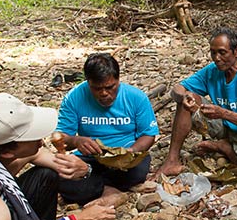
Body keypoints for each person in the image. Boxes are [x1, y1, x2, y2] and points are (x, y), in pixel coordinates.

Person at [157, 27, 237, 181]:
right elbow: (178, 89)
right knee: (188, 98)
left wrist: (223, 113)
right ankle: (172, 160)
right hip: (223, 124)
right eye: (213, 53)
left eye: (222, 52)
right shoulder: (213, 70)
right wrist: (184, 96)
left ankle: (223, 147)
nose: (217, 58)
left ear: (236, 51)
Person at [55, 53, 159, 205]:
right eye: (96, 89)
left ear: (118, 80)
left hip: (125, 158)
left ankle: (95, 189)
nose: (104, 93)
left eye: (110, 87)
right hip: (91, 159)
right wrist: (76, 140)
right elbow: (60, 137)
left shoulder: (136, 97)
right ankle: (110, 191)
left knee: (137, 169)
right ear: (88, 82)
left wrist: (130, 152)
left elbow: (148, 135)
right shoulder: (74, 97)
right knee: (59, 173)